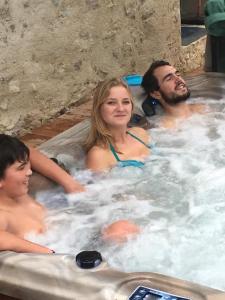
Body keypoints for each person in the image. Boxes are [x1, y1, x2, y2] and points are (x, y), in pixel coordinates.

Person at [0, 134, 54, 253]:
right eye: (21, 168)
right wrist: (48, 252)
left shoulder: (19, 194)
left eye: (27, 164)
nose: (29, 172)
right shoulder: (4, 215)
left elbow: (29, 151)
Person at [85, 78, 151, 171]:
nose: (120, 108)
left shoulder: (140, 133)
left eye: (125, 102)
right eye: (111, 103)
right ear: (99, 109)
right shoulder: (99, 155)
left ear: (131, 107)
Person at [141, 60, 206, 128]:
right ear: (156, 94)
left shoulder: (201, 108)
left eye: (178, 74)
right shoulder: (164, 128)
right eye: (169, 78)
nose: (178, 79)